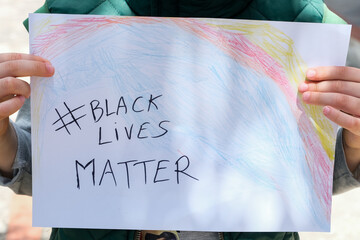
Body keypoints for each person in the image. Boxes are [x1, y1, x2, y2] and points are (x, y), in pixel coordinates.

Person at [1, 0, 360, 239]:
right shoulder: (78, 20)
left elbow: (306, 183)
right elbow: (47, 174)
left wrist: (354, 140)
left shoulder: (294, 26)